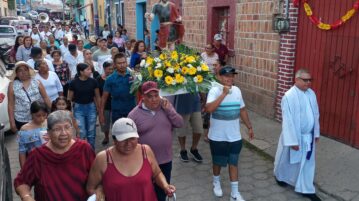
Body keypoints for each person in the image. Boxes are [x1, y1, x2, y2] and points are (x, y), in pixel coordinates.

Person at [14, 110, 96, 201]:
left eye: (67, 127)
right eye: (57, 129)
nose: (63, 133)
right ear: (48, 132)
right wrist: (26, 196)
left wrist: (99, 192)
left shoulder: (84, 149)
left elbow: (99, 177)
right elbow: (21, 181)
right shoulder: (38, 155)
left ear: (72, 129)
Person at [86, 118, 176, 201]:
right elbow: (90, 188)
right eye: (123, 139)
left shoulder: (146, 151)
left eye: (132, 138)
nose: (128, 144)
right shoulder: (103, 159)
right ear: (114, 140)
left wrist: (165, 186)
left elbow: (157, 173)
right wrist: (99, 191)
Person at [128, 81, 183, 201]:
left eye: (156, 95)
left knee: (163, 191)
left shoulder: (166, 107)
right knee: (146, 192)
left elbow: (180, 123)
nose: (154, 99)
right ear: (142, 97)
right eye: (149, 96)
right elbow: (129, 141)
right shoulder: (133, 115)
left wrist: (170, 110)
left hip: (165, 159)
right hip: (144, 162)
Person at [205, 66, 254, 201]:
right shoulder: (214, 90)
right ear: (220, 77)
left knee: (234, 162)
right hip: (217, 136)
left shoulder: (237, 90)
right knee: (218, 162)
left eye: (232, 76)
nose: (229, 79)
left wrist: (249, 126)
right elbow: (209, 109)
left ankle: (234, 193)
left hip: (235, 136)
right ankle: (216, 182)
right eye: (226, 76)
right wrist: (223, 94)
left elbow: (242, 110)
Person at [274, 69, 321, 201]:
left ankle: (306, 188)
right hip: (294, 136)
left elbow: (316, 114)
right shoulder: (289, 96)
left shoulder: (311, 93)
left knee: (307, 162)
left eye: (310, 80)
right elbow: (287, 120)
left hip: (308, 136)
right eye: (305, 80)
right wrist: (292, 141)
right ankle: (280, 177)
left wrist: (316, 132)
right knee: (286, 160)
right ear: (296, 79)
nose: (308, 83)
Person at [7, 61, 51, 133]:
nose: (23, 72)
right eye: (20, 70)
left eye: (25, 70)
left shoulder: (37, 82)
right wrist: (12, 122)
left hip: (39, 117)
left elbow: (45, 97)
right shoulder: (12, 85)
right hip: (21, 119)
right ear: (17, 74)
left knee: (42, 137)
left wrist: (54, 111)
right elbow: (10, 105)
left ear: (29, 71)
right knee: (27, 140)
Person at [67, 63, 101, 149]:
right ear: (81, 72)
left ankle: (91, 151)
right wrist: (68, 111)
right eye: (88, 70)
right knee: (81, 132)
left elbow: (97, 96)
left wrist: (99, 110)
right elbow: (69, 98)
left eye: (90, 69)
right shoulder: (73, 83)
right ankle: (82, 151)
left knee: (91, 132)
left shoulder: (93, 81)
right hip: (78, 109)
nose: (90, 71)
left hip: (91, 108)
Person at [99, 53, 136, 125]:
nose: (122, 65)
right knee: (118, 135)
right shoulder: (110, 79)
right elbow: (104, 98)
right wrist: (101, 114)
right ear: (115, 65)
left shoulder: (134, 76)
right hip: (117, 113)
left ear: (127, 63)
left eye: (124, 62)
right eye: (119, 63)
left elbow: (138, 93)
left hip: (132, 112)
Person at [173, 92, 204, 163]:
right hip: (181, 103)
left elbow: (200, 85)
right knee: (182, 131)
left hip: (195, 103)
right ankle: (183, 150)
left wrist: (204, 99)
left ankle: (193, 149)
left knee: (198, 129)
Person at [17, 101, 48, 168]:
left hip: (49, 161)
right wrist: (23, 170)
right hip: (34, 163)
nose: (42, 118)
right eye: (38, 116)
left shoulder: (50, 124)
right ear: (31, 114)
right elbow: (22, 151)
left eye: (44, 115)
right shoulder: (24, 129)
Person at [96, 61, 114, 145]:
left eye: (112, 69)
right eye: (109, 69)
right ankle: (106, 137)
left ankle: (115, 139)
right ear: (104, 69)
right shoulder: (99, 80)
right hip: (105, 105)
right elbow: (97, 95)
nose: (111, 71)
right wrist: (99, 108)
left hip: (115, 104)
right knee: (105, 123)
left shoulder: (115, 78)